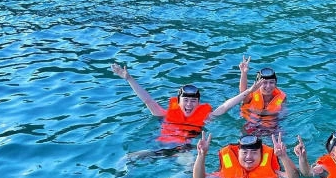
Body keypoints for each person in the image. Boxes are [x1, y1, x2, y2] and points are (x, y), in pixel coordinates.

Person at [111, 62, 260, 145]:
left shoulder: (206, 117)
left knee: (183, 172)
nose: (189, 104)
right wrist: (129, 78)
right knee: (129, 159)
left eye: (193, 101)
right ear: (178, 101)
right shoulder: (163, 114)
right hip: (160, 146)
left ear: (198, 103)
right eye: (186, 100)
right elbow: (147, 99)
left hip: (183, 151)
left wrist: (249, 91)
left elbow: (226, 105)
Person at [237, 56, 287, 135]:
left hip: (271, 125)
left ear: (275, 83)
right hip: (251, 124)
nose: (268, 86)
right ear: (258, 84)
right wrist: (244, 73)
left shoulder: (282, 97)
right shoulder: (251, 95)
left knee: (281, 135)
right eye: (264, 82)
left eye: (271, 82)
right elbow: (243, 93)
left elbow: (283, 113)